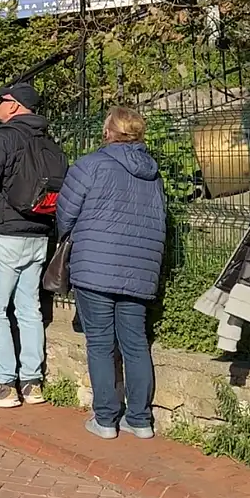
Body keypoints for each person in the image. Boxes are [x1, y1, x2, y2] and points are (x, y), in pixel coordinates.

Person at [56, 108, 167, 443]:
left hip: (95, 265)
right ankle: (140, 420)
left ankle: (105, 418)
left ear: (108, 132)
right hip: (140, 268)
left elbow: (65, 213)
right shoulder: (153, 173)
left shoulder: (90, 165)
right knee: (135, 343)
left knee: (101, 343)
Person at [0, 82, 64, 408]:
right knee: (29, 309)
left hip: (3, 233)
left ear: (14, 105)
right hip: (39, 233)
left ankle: (5, 383)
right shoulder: (50, 141)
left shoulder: (2, 138)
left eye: (2, 100)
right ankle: (32, 382)